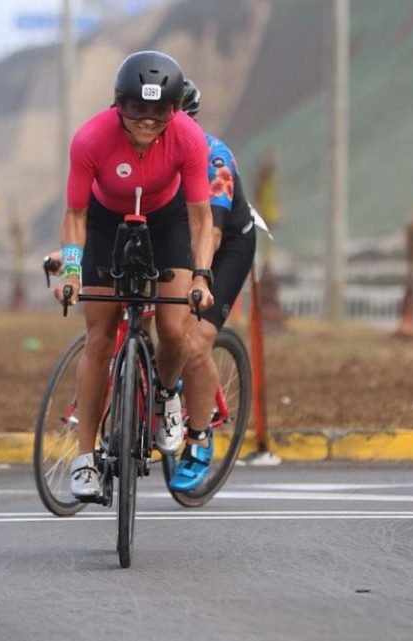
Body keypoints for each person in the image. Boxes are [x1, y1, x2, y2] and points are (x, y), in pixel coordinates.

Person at [53, 50, 215, 499]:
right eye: (136, 109)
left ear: (174, 109)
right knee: (100, 337)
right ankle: (85, 457)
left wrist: (200, 276)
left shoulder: (188, 138)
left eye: (159, 110)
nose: (147, 120)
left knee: (174, 328)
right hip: (106, 219)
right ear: (118, 105)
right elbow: (76, 214)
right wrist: (71, 271)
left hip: (167, 221)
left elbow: (201, 218)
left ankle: (166, 396)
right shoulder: (91, 139)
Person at [167, 78, 257, 491]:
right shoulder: (147, 154)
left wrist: (195, 278)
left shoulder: (213, 158)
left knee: (195, 339)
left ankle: (200, 438)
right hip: (179, 241)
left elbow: (212, 233)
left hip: (225, 245)